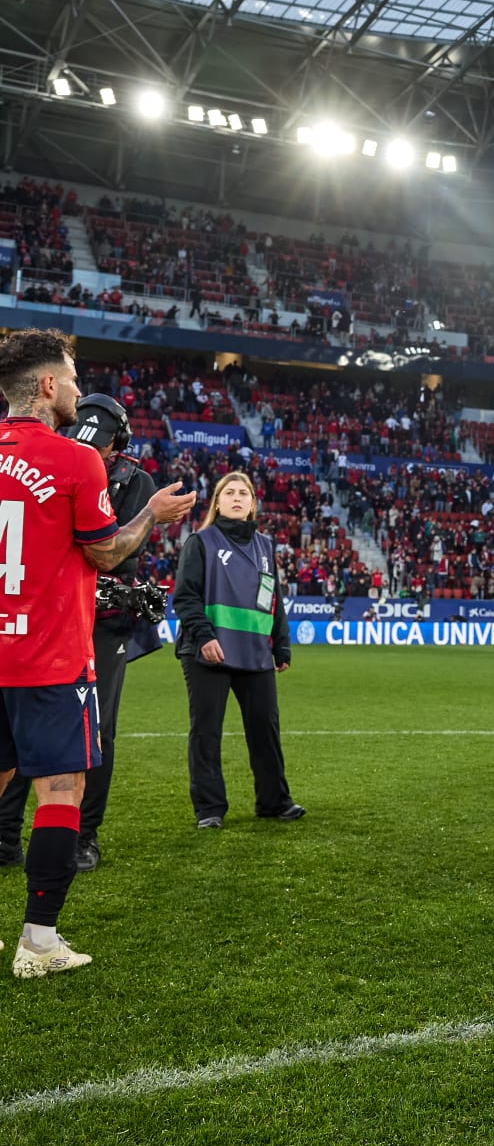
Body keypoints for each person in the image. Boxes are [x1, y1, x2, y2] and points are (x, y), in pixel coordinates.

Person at [0, 329, 195, 977]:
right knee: (61, 787)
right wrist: (155, 514)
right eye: (75, 381)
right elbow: (106, 549)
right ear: (49, 386)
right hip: (50, 657)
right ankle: (38, 939)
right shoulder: (74, 461)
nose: (80, 393)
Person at [0, 393, 157, 872]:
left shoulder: (132, 477)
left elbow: (118, 559)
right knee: (19, 736)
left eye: (105, 443)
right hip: (51, 618)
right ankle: (7, 836)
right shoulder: (65, 460)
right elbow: (104, 551)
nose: (99, 451)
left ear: (120, 442)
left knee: (96, 732)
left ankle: (83, 837)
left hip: (100, 626)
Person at [173, 471, 304, 828]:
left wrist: (282, 647)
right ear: (217, 502)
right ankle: (210, 809)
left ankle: (274, 801)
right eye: (228, 492)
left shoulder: (265, 547)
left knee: (265, 728)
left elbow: (273, 600)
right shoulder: (201, 543)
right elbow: (184, 598)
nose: (236, 497)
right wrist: (204, 637)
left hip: (255, 651)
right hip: (208, 652)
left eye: (243, 493)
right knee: (206, 732)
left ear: (252, 504)